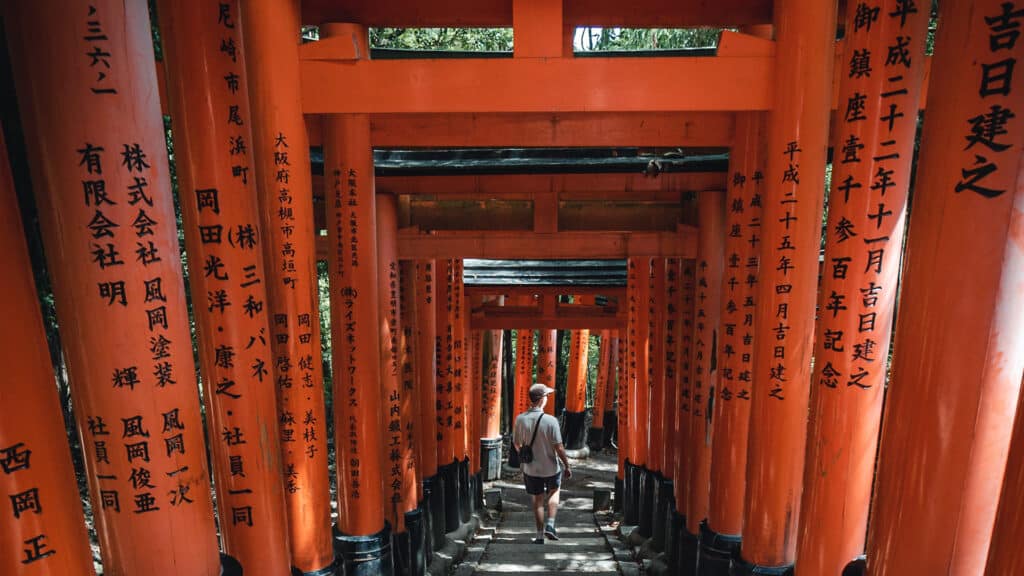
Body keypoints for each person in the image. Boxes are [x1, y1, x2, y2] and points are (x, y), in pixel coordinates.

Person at [513, 383, 573, 544]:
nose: (547, 398)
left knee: (537, 499)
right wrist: (567, 465)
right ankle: (551, 525)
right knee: (554, 492)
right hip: (550, 467)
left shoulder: (520, 419)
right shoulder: (550, 421)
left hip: (531, 468)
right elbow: (558, 447)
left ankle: (539, 535)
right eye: (546, 395)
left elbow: (516, 444)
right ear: (541, 399)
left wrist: (524, 455)